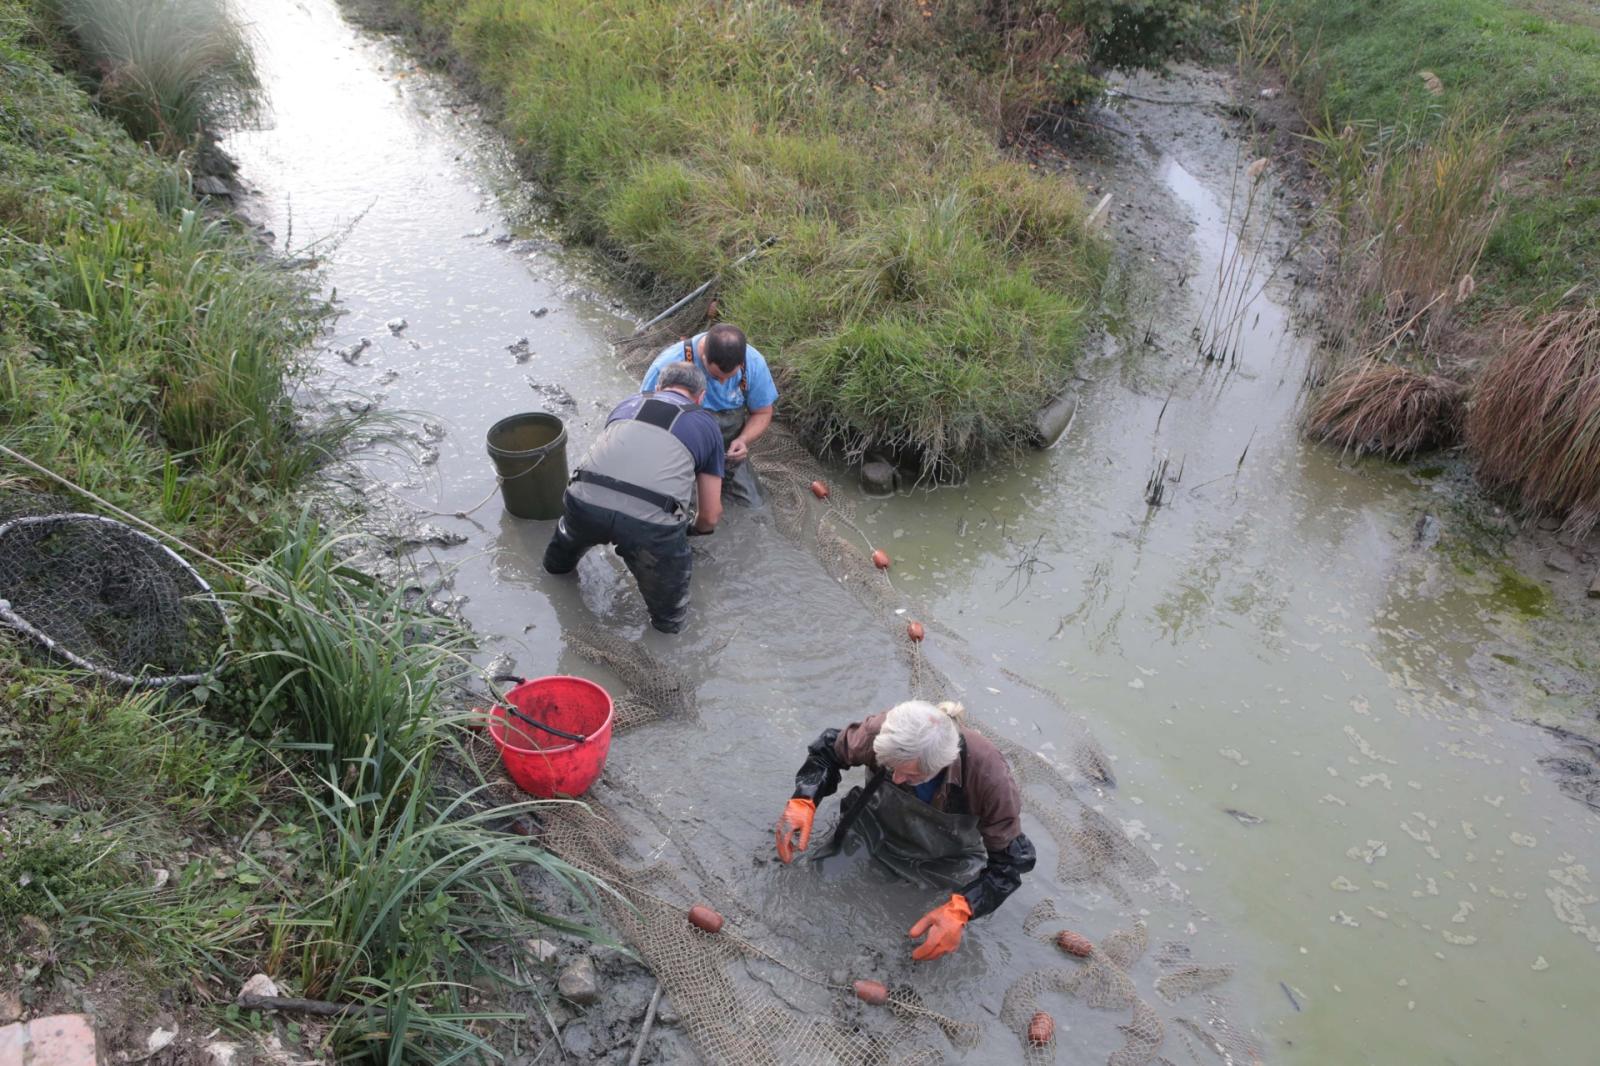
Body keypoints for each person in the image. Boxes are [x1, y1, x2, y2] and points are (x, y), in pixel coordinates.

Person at [773, 700, 1037, 961]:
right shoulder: (885, 730)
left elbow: (1010, 863)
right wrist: (804, 798)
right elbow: (829, 751)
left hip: (944, 856)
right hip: (873, 826)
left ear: (940, 765)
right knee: (818, 881)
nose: (896, 778)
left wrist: (963, 909)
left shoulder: (989, 777)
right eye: (890, 767)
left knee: (920, 939)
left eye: (909, 775)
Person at [543, 361, 723, 634]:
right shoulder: (706, 424)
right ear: (700, 397)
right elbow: (710, 515)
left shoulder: (628, 402)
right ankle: (665, 632)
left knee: (555, 570)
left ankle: (556, 567)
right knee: (669, 622)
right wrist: (689, 532)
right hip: (650, 526)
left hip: (583, 502)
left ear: (659, 387)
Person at [641, 322, 776, 504]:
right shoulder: (668, 364)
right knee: (672, 503)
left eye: (728, 378)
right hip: (679, 448)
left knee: (754, 503)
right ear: (703, 354)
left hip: (726, 451)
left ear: (742, 362)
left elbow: (762, 413)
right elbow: (645, 417)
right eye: (715, 377)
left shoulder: (754, 364)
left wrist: (743, 440)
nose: (721, 383)